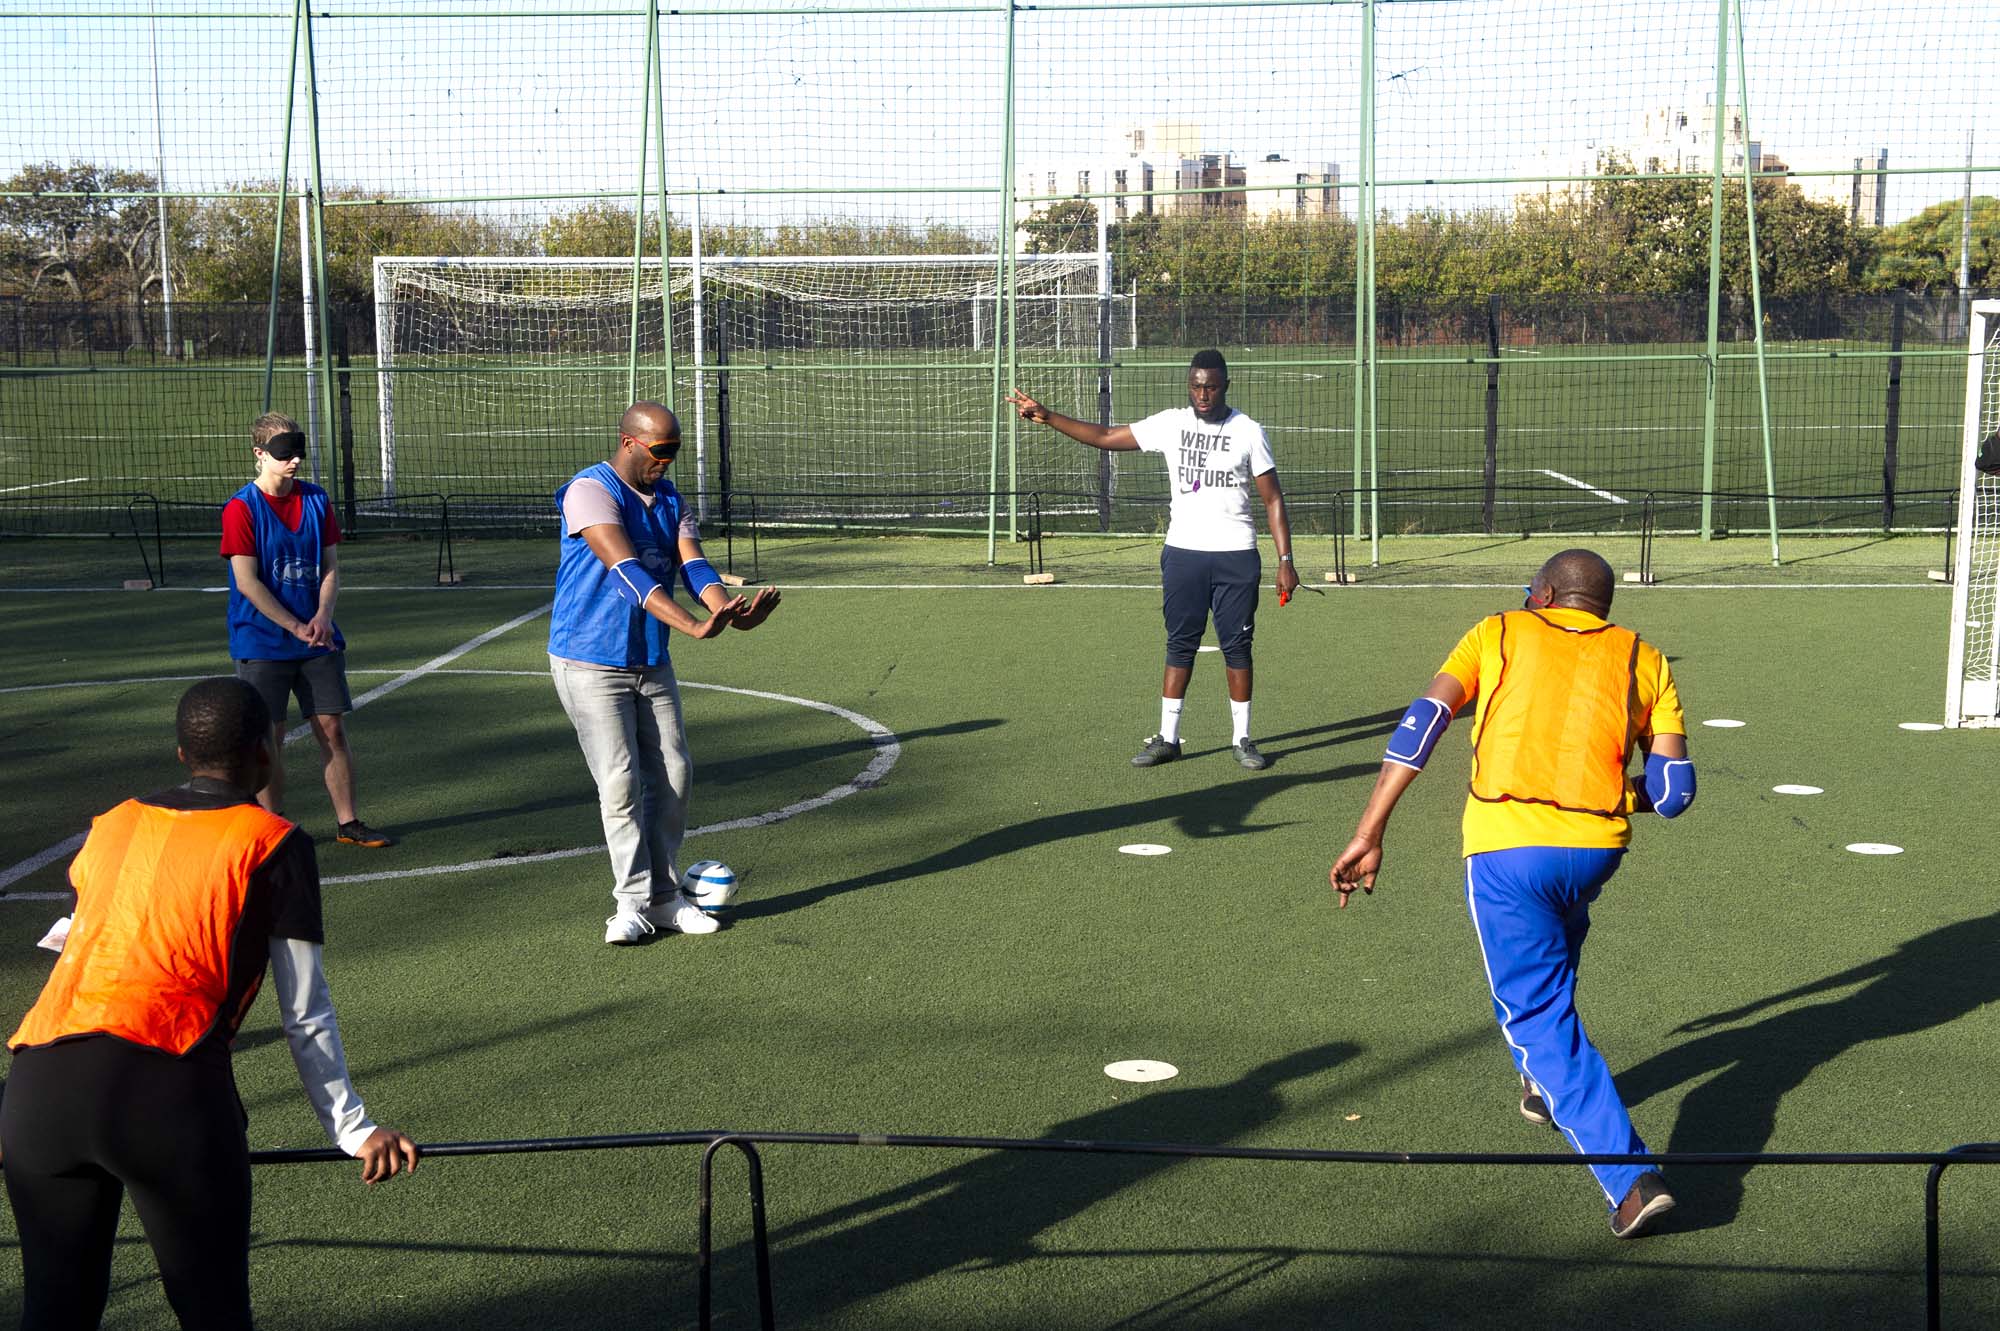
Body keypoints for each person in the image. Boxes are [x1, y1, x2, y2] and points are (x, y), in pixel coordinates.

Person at [2, 677, 418, 1331]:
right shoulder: (274, 840)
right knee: (214, 1314)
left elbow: (75, 942)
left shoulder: (112, 823)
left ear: (180, 755)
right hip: (163, 1091)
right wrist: (352, 1128)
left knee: (54, 1312)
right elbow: (305, 1009)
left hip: (35, 1087)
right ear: (266, 753)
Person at [1328, 549, 1696, 1240]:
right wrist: (1608, 795)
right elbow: (1675, 793)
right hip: (1594, 853)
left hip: (1506, 848)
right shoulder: (1644, 657)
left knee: (1536, 1016)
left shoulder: (1496, 630)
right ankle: (1541, 1085)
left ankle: (1630, 1179)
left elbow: (1423, 724)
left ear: (1546, 592)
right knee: (1560, 942)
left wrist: (1370, 828)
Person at [551, 400, 781, 945]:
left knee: (674, 772)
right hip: (589, 659)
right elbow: (626, 570)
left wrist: (726, 609)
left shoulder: (671, 497)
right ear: (630, 442)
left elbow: (693, 562)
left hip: (650, 658)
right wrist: (691, 625)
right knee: (620, 782)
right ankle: (631, 903)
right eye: (661, 451)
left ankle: (665, 898)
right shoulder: (590, 490)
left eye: (675, 451)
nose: (668, 461)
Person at [1009, 350, 1299, 770]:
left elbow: (1273, 499)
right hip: (1183, 553)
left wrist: (1285, 559)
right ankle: (1168, 737)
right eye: (1196, 385)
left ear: (1225, 386)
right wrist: (1049, 416)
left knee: (1237, 646)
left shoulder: (1248, 431)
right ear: (1189, 384)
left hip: (1236, 554)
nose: (1203, 393)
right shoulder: (1171, 423)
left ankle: (1242, 740)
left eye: (1212, 386)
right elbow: (1107, 437)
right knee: (1180, 642)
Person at [221, 411, 394, 848]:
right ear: (259, 454)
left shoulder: (316, 502)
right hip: (262, 641)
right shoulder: (241, 508)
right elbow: (247, 581)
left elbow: (331, 568)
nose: (294, 460)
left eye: (299, 450)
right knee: (269, 736)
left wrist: (320, 617)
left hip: (317, 639)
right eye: (284, 452)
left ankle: (348, 823)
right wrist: (293, 625)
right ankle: (270, 827)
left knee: (332, 727)